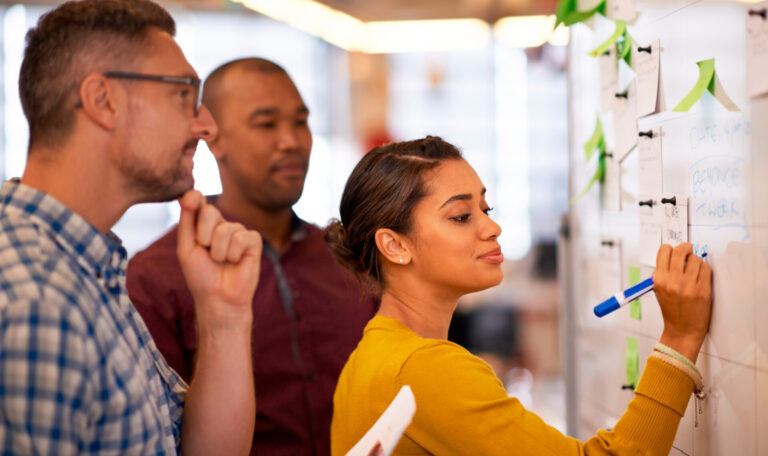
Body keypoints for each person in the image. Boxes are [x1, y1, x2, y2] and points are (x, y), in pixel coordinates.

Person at [326, 136, 713, 455]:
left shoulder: (367, 359)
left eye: (486, 208)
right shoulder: (426, 369)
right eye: (461, 216)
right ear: (395, 245)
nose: (492, 227)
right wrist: (679, 338)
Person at [0, 1, 263, 454]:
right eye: (184, 94)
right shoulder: (37, 302)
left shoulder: (86, 268)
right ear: (103, 101)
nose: (207, 126)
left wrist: (224, 315)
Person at [127, 58, 377, 456]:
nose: (291, 141)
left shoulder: (349, 257)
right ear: (214, 140)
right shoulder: (157, 275)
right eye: (266, 124)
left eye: (300, 122)